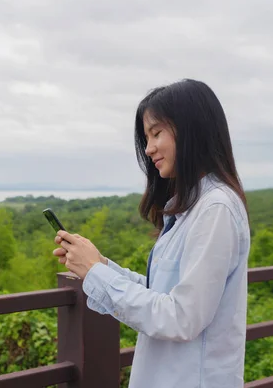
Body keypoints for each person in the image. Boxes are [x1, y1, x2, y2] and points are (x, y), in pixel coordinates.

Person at [53, 79, 251, 388]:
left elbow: (181, 317)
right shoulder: (193, 208)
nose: (149, 149)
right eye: (147, 137)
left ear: (191, 130)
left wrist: (96, 273)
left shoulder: (215, 209)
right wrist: (100, 267)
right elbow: (162, 294)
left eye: (156, 133)